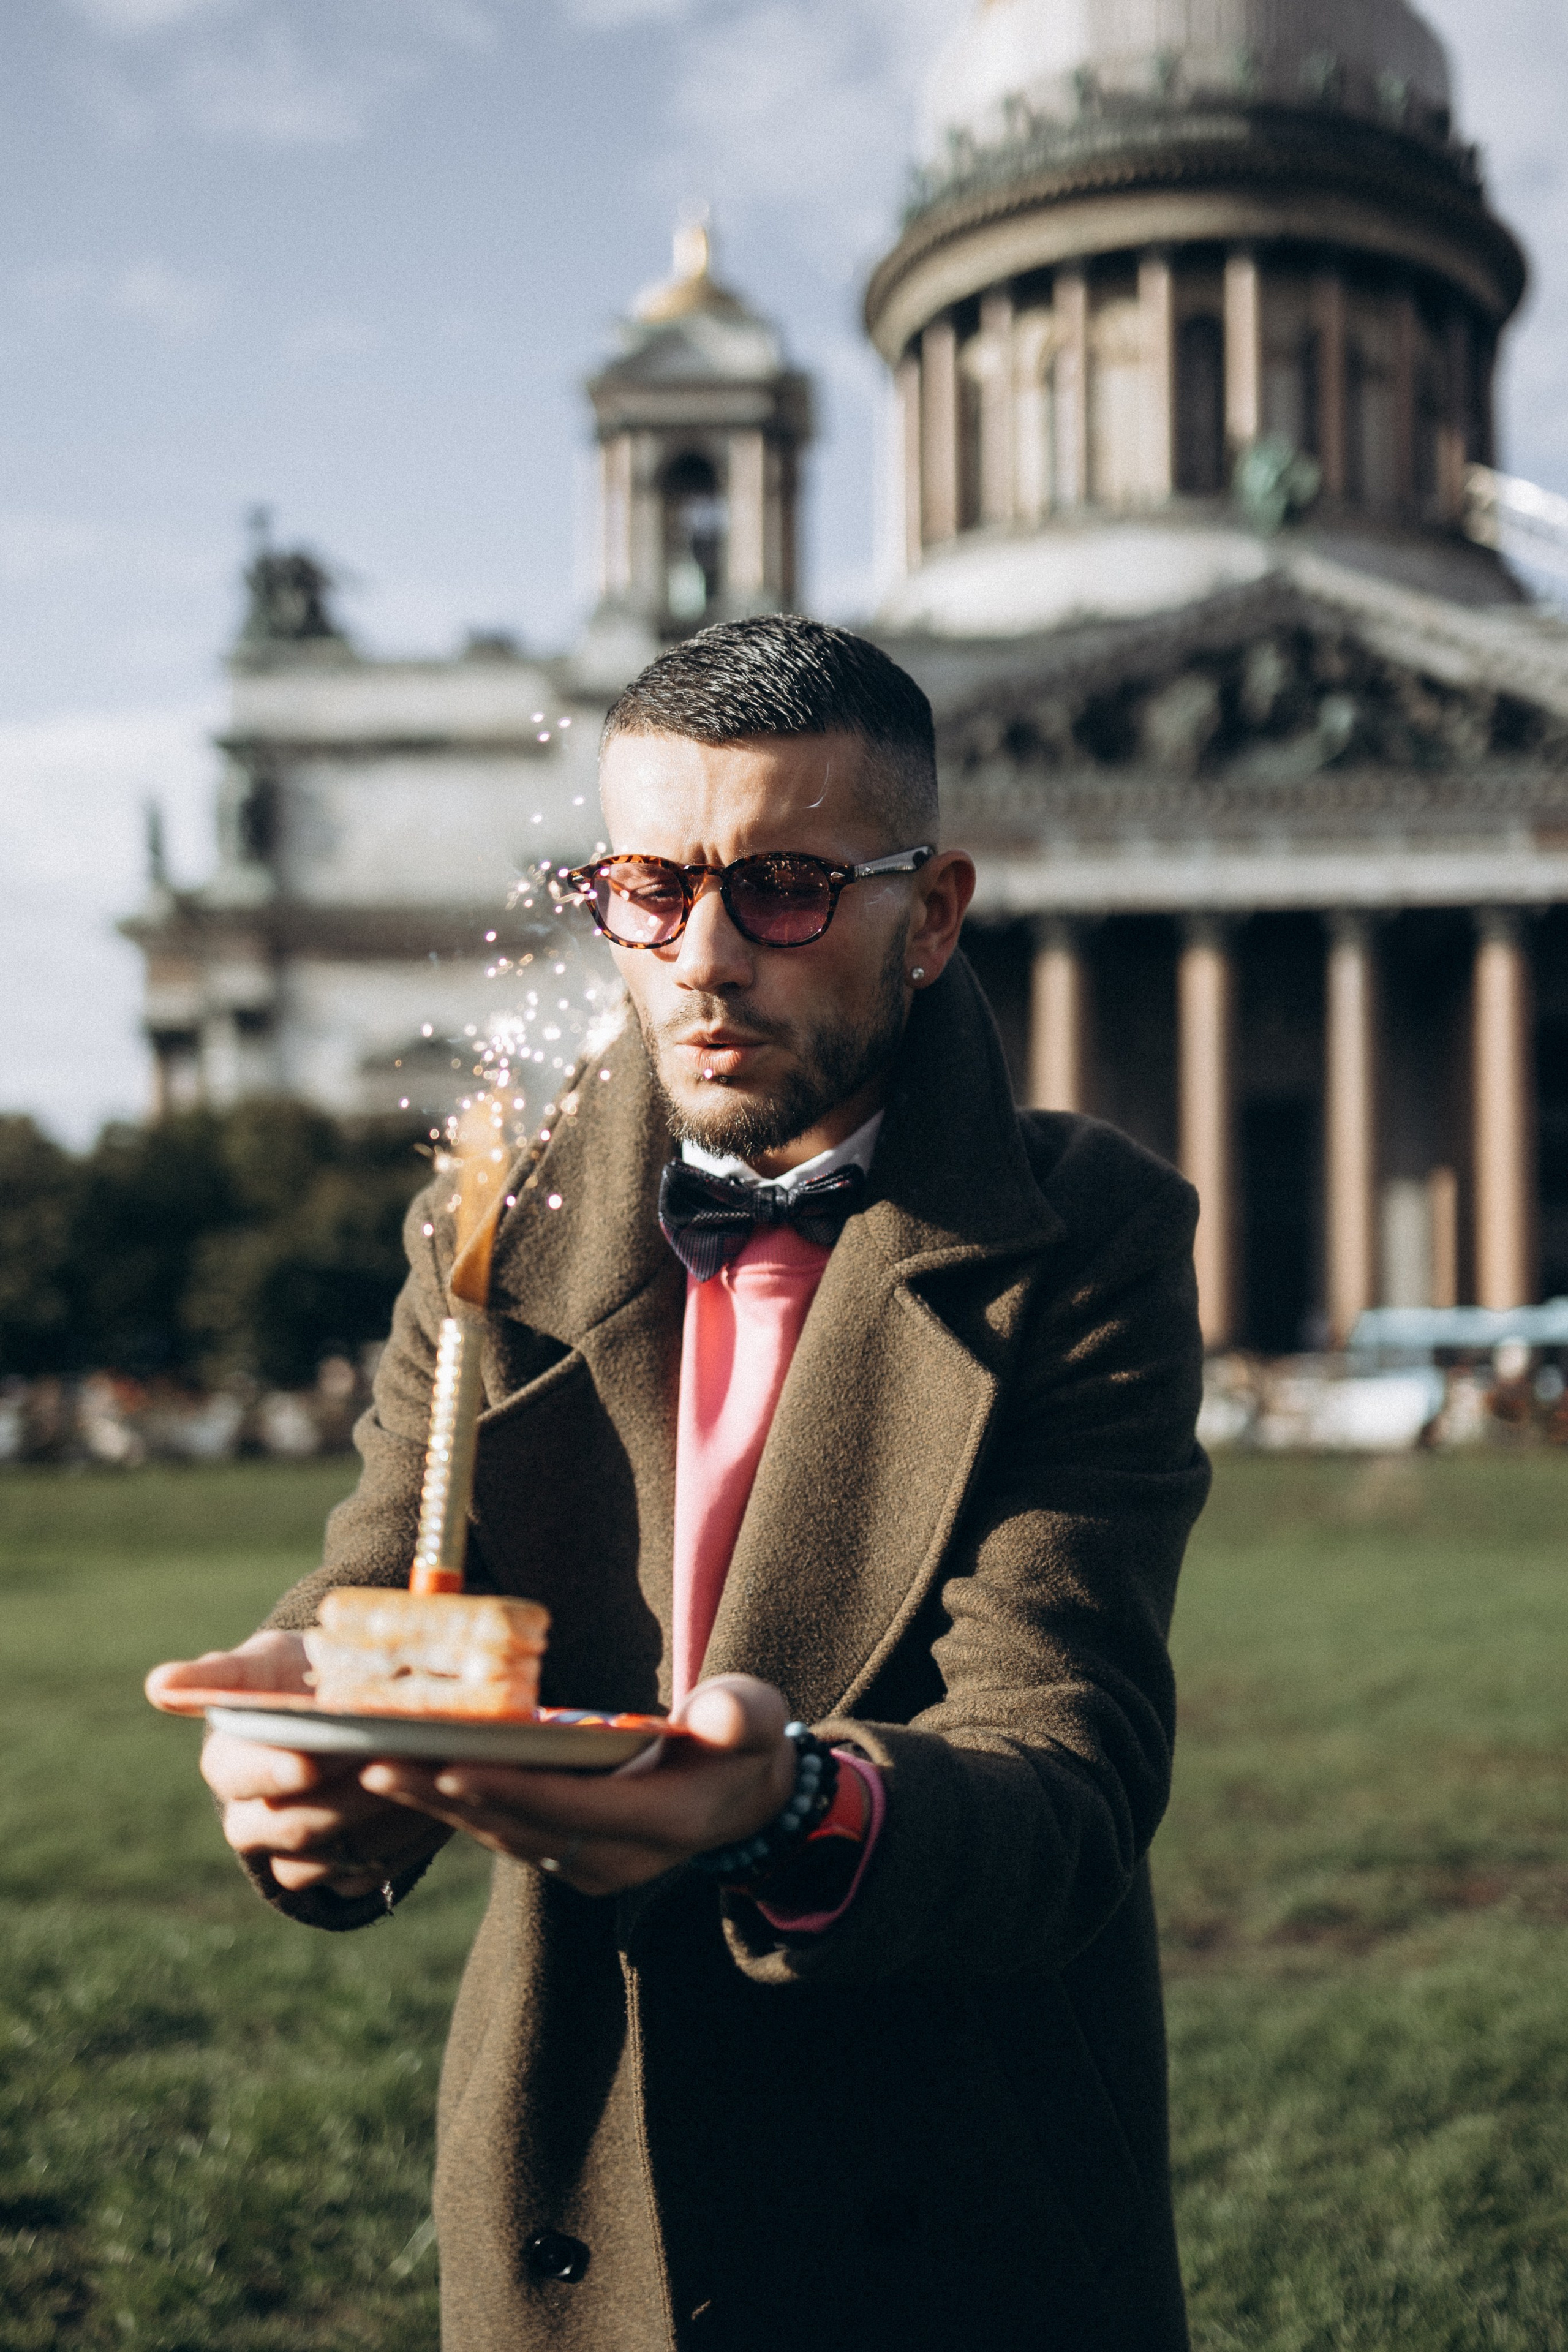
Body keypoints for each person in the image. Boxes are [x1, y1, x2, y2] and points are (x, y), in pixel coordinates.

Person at [153, 616, 1210, 2352]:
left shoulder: (1086, 1238)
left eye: (786, 886)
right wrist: (309, 1761)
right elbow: (385, 1594)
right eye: (644, 888)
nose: (702, 956)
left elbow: (1065, 1782)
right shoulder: (488, 1229)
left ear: (929, 912)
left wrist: (788, 1804)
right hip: (587, 2180)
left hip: (959, 2191)